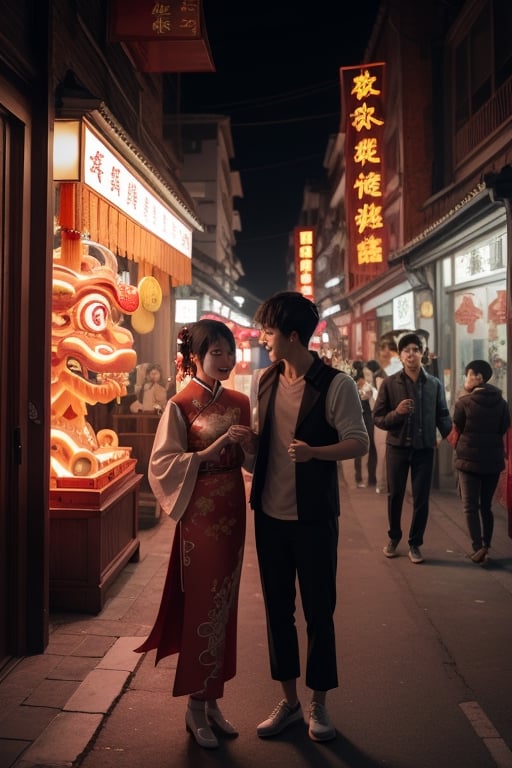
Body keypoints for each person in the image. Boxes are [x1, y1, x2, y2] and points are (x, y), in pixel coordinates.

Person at [249, 291, 369, 742]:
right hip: (270, 517)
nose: (263, 339)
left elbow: (359, 442)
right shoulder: (266, 381)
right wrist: (246, 446)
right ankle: (290, 702)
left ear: (293, 336)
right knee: (278, 612)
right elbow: (267, 444)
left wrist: (315, 452)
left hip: (315, 518)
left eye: (268, 331)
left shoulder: (336, 385)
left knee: (320, 612)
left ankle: (320, 705)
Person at [134, 320, 254, 749]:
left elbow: (253, 464)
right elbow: (161, 464)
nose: (226, 360)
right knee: (203, 600)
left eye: (229, 351)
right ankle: (194, 706)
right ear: (196, 357)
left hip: (231, 508)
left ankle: (213, 699)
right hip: (200, 513)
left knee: (225, 603)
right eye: (216, 353)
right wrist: (205, 452)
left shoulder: (241, 401)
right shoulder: (180, 405)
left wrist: (249, 445)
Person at [373, 332, 452, 564]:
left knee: (421, 499)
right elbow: (378, 418)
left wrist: (456, 440)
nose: (411, 354)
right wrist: (397, 414)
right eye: (406, 350)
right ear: (401, 355)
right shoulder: (389, 383)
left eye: (416, 350)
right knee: (395, 495)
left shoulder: (434, 385)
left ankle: (415, 543)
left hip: (425, 449)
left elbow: (443, 416)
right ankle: (394, 537)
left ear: (422, 353)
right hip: (397, 447)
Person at [450, 360, 509, 564]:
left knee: (470, 506)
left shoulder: (463, 403)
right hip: (492, 461)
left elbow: (457, 427)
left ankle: (477, 547)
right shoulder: (502, 403)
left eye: (468, 374)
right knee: (486, 506)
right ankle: (487, 546)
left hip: (468, 460)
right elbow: (503, 428)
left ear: (477, 377)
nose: (466, 378)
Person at [372, 340, 402, 494]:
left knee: (391, 456)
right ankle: (382, 484)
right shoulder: (378, 374)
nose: (385, 355)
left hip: (395, 420)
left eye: (388, 351)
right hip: (384, 420)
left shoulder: (399, 373)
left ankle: (389, 485)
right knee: (383, 455)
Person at [352, 362, 377, 488]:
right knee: (367, 446)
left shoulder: (366, 386)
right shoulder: (359, 385)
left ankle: (365, 477)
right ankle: (364, 477)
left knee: (366, 446)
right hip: (363, 416)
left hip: (364, 416)